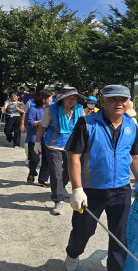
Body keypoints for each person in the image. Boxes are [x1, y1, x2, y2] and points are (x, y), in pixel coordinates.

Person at [63, 85, 138, 271]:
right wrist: (77, 189)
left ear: (128, 102)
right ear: (103, 101)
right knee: (83, 230)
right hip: (92, 189)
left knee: (119, 235)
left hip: (121, 189)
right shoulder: (86, 123)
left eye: (123, 100)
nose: (119, 103)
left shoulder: (131, 125)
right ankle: (72, 253)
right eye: (113, 99)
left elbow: (135, 156)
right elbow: (74, 156)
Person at [34, 87, 84, 215]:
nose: (72, 100)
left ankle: (61, 188)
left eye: (74, 98)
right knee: (56, 173)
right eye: (69, 97)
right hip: (54, 145)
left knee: (69, 171)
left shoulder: (79, 109)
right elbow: (42, 126)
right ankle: (58, 200)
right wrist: (37, 142)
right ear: (62, 98)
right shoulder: (51, 109)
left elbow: (84, 127)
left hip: (72, 146)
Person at [25, 90, 52, 186]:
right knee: (35, 159)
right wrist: (43, 121)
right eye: (50, 98)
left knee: (48, 159)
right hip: (34, 137)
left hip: (48, 138)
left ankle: (43, 179)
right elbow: (29, 122)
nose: (52, 100)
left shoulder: (50, 109)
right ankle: (32, 173)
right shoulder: (33, 109)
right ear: (44, 99)